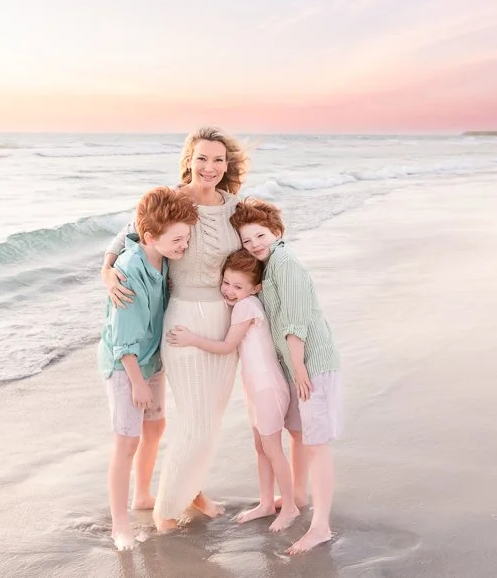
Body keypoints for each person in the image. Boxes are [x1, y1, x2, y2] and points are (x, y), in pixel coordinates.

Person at [101, 127, 250, 532]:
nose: (210, 167)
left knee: (210, 418)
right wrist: (106, 269)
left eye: (218, 159)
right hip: (183, 317)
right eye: (202, 158)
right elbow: (129, 234)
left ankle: (192, 488)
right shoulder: (174, 199)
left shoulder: (235, 208)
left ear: (227, 164)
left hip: (224, 319)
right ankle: (167, 510)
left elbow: (260, 251)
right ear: (189, 161)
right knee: (196, 419)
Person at [230, 197, 343, 555]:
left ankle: (321, 526)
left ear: (277, 232)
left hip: (311, 364)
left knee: (316, 444)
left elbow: (295, 322)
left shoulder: (285, 264)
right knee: (297, 433)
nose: (255, 245)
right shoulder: (271, 266)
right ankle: (296, 497)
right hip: (297, 364)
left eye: (260, 236)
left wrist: (297, 369)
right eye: (247, 241)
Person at [167, 249, 298, 532]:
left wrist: (191, 338)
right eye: (226, 282)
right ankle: (265, 503)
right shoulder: (243, 304)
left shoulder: (246, 307)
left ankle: (289, 507)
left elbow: (227, 346)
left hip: (267, 389)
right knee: (261, 449)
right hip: (256, 389)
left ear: (255, 288)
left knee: (273, 450)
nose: (229, 290)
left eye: (238, 286)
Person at [97, 186, 198, 550]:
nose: (183, 247)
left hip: (152, 360)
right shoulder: (129, 270)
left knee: (155, 428)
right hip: (127, 367)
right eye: (178, 240)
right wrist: (137, 382)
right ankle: (119, 524)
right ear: (151, 237)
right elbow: (123, 337)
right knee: (127, 441)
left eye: (186, 239)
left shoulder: (163, 255)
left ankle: (142, 495)